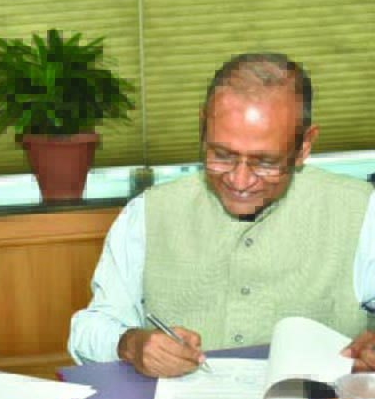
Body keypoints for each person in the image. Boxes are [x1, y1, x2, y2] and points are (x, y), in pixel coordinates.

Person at [68, 52, 375, 378]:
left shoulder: (362, 212)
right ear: (202, 128)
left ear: (304, 147)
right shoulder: (146, 214)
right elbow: (87, 331)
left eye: (266, 162)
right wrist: (130, 344)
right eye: (222, 155)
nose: (239, 181)